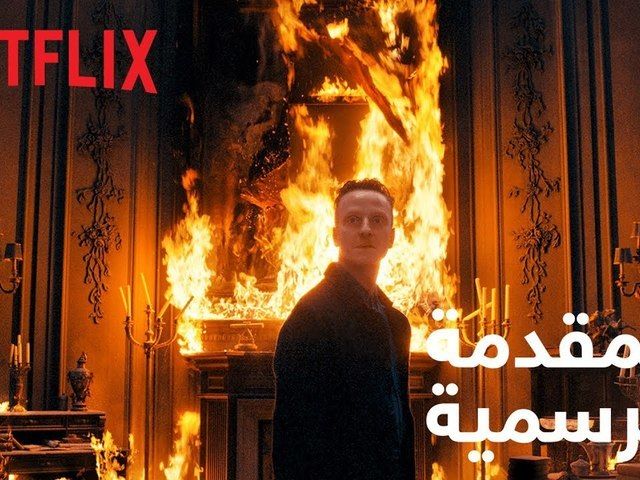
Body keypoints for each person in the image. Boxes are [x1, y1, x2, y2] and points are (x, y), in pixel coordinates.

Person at [272, 178, 415, 480]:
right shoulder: (310, 318)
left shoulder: (396, 323)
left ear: (392, 237)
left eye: (377, 220)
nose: (366, 229)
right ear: (335, 235)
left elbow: (400, 430)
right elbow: (293, 444)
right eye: (353, 220)